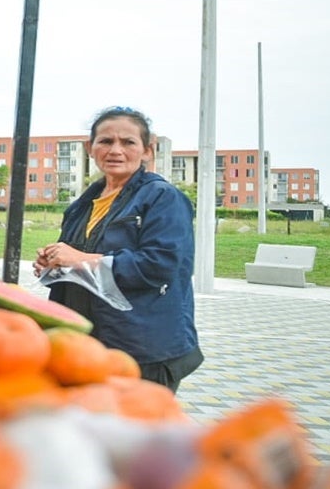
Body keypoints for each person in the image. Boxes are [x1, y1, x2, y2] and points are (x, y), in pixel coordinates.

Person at [33, 106, 203, 392]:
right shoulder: (82, 206)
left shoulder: (164, 198)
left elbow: (160, 265)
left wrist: (81, 258)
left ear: (147, 150)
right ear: (90, 148)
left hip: (142, 350)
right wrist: (54, 265)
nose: (115, 150)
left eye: (128, 142)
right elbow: (80, 265)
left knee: (136, 433)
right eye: (106, 141)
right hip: (87, 344)